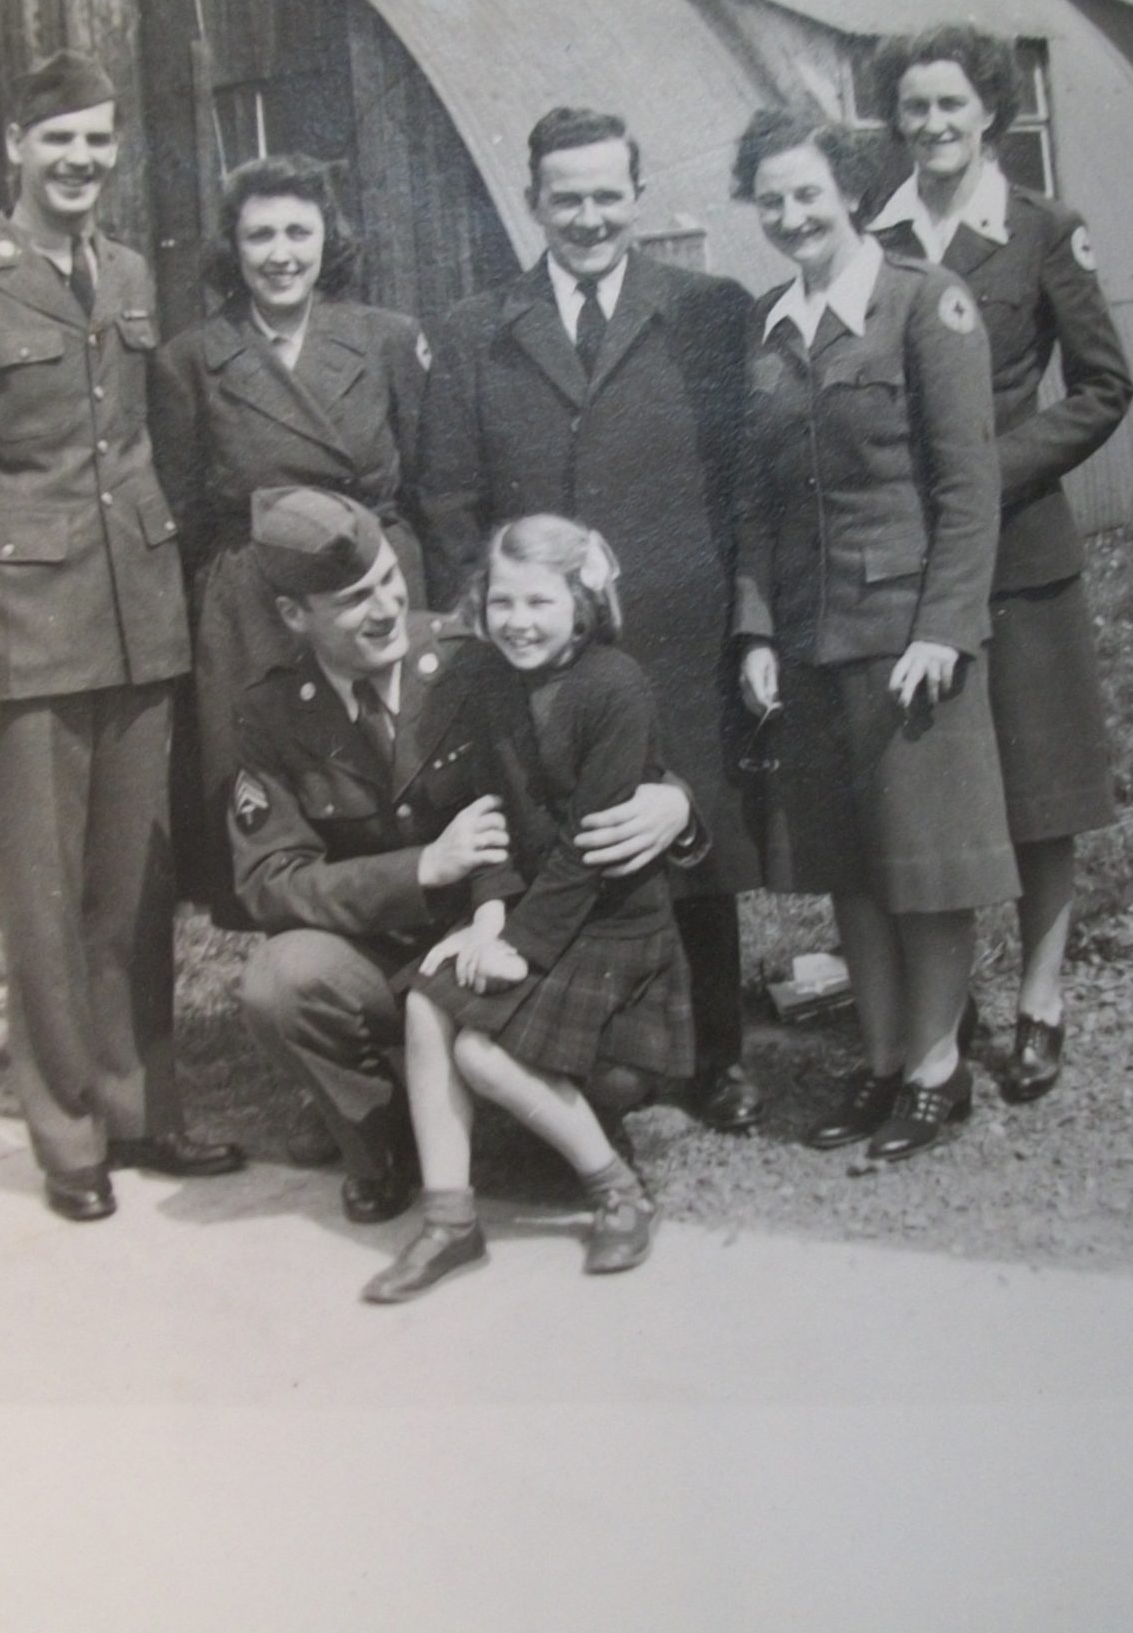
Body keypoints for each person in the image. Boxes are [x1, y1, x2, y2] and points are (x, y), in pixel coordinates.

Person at [0, 48, 243, 1223]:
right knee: (44, 898)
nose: (83, 160)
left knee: (135, 889)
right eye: (60, 140)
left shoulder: (131, 270)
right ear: (15, 148)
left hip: (138, 625)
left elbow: (138, 448)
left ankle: (143, 1111)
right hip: (29, 636)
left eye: (99, 140)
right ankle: (68, 1135)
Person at [419, 107, 767, 1133]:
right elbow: (445, 500)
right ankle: (578, 1048)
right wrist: (488, 620)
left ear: (637, 193)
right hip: (530, 641)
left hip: (674, 625)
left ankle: (714, 1056)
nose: (587, 217)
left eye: (606, 195)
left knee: (691, 840)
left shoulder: (706, 311)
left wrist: (747, 617)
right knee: (554, 833)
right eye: (564, 198)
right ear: (532, 202)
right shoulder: (476, 330)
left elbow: (745, 479)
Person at [228, 488, 700, 1228]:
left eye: (390, 579)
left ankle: (548, 1128)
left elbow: (599, 745)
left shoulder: (472, 654)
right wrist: (420, 868)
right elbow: (268, 882)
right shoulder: (271, 712)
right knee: (279, 982)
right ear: (295, 616)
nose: (387, 608)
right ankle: (381, 1147)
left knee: (609, 1075)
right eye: (354, 600)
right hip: (384, 955)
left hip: (506, 936)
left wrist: (677, 802)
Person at [729, 108, 1021, 1164]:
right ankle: (885, 1059)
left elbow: (968, 486)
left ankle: (939, 1072)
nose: (792, 215)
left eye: (808, 193)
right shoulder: (766, 325)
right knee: (849, 867)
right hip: (809, 644)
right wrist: (755, 630)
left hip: (906, 640)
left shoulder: (922, 305)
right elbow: (754, 504)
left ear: (850, 189)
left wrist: (944, 627)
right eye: (769, 200)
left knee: (926, 864)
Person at [864, 25, 1133, 1103]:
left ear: (989, 114)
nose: (932, 125)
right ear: (894, 121)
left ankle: (1040, 1001)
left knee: (1037, 788)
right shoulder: (871, 237)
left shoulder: (1041, 232)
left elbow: (1103, 388)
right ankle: (945, 1002)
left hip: (1018, 557)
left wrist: (989, 470)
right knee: (934, 786)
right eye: (914, 108)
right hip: (905, 558)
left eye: (951, 106)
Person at [362, 516, 684, 1304]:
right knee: (427, 1010)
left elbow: (588, 849)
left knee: (482, 1053)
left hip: (612, 925)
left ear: (582, 602)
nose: (519, 621)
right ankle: (450, 1223)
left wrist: (523, 945)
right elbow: (488, 814)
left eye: (540, 601)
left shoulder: (615, 686)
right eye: (502, 602)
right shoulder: (487, 682)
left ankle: (617, 1191)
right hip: (535, 916)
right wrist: (488, 915)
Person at [149, 154, 431, 924]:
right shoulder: (191, 360)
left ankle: (404, 941)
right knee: (278, 780)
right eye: (260, 234)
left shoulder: (388, 340)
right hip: (257, 602)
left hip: (375, 580)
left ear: (327, 239)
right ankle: (300, 959)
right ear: (231, 250)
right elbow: (182, 513)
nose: (281, 253)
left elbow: (429, 485)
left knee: (386, 763)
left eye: (299, 232)